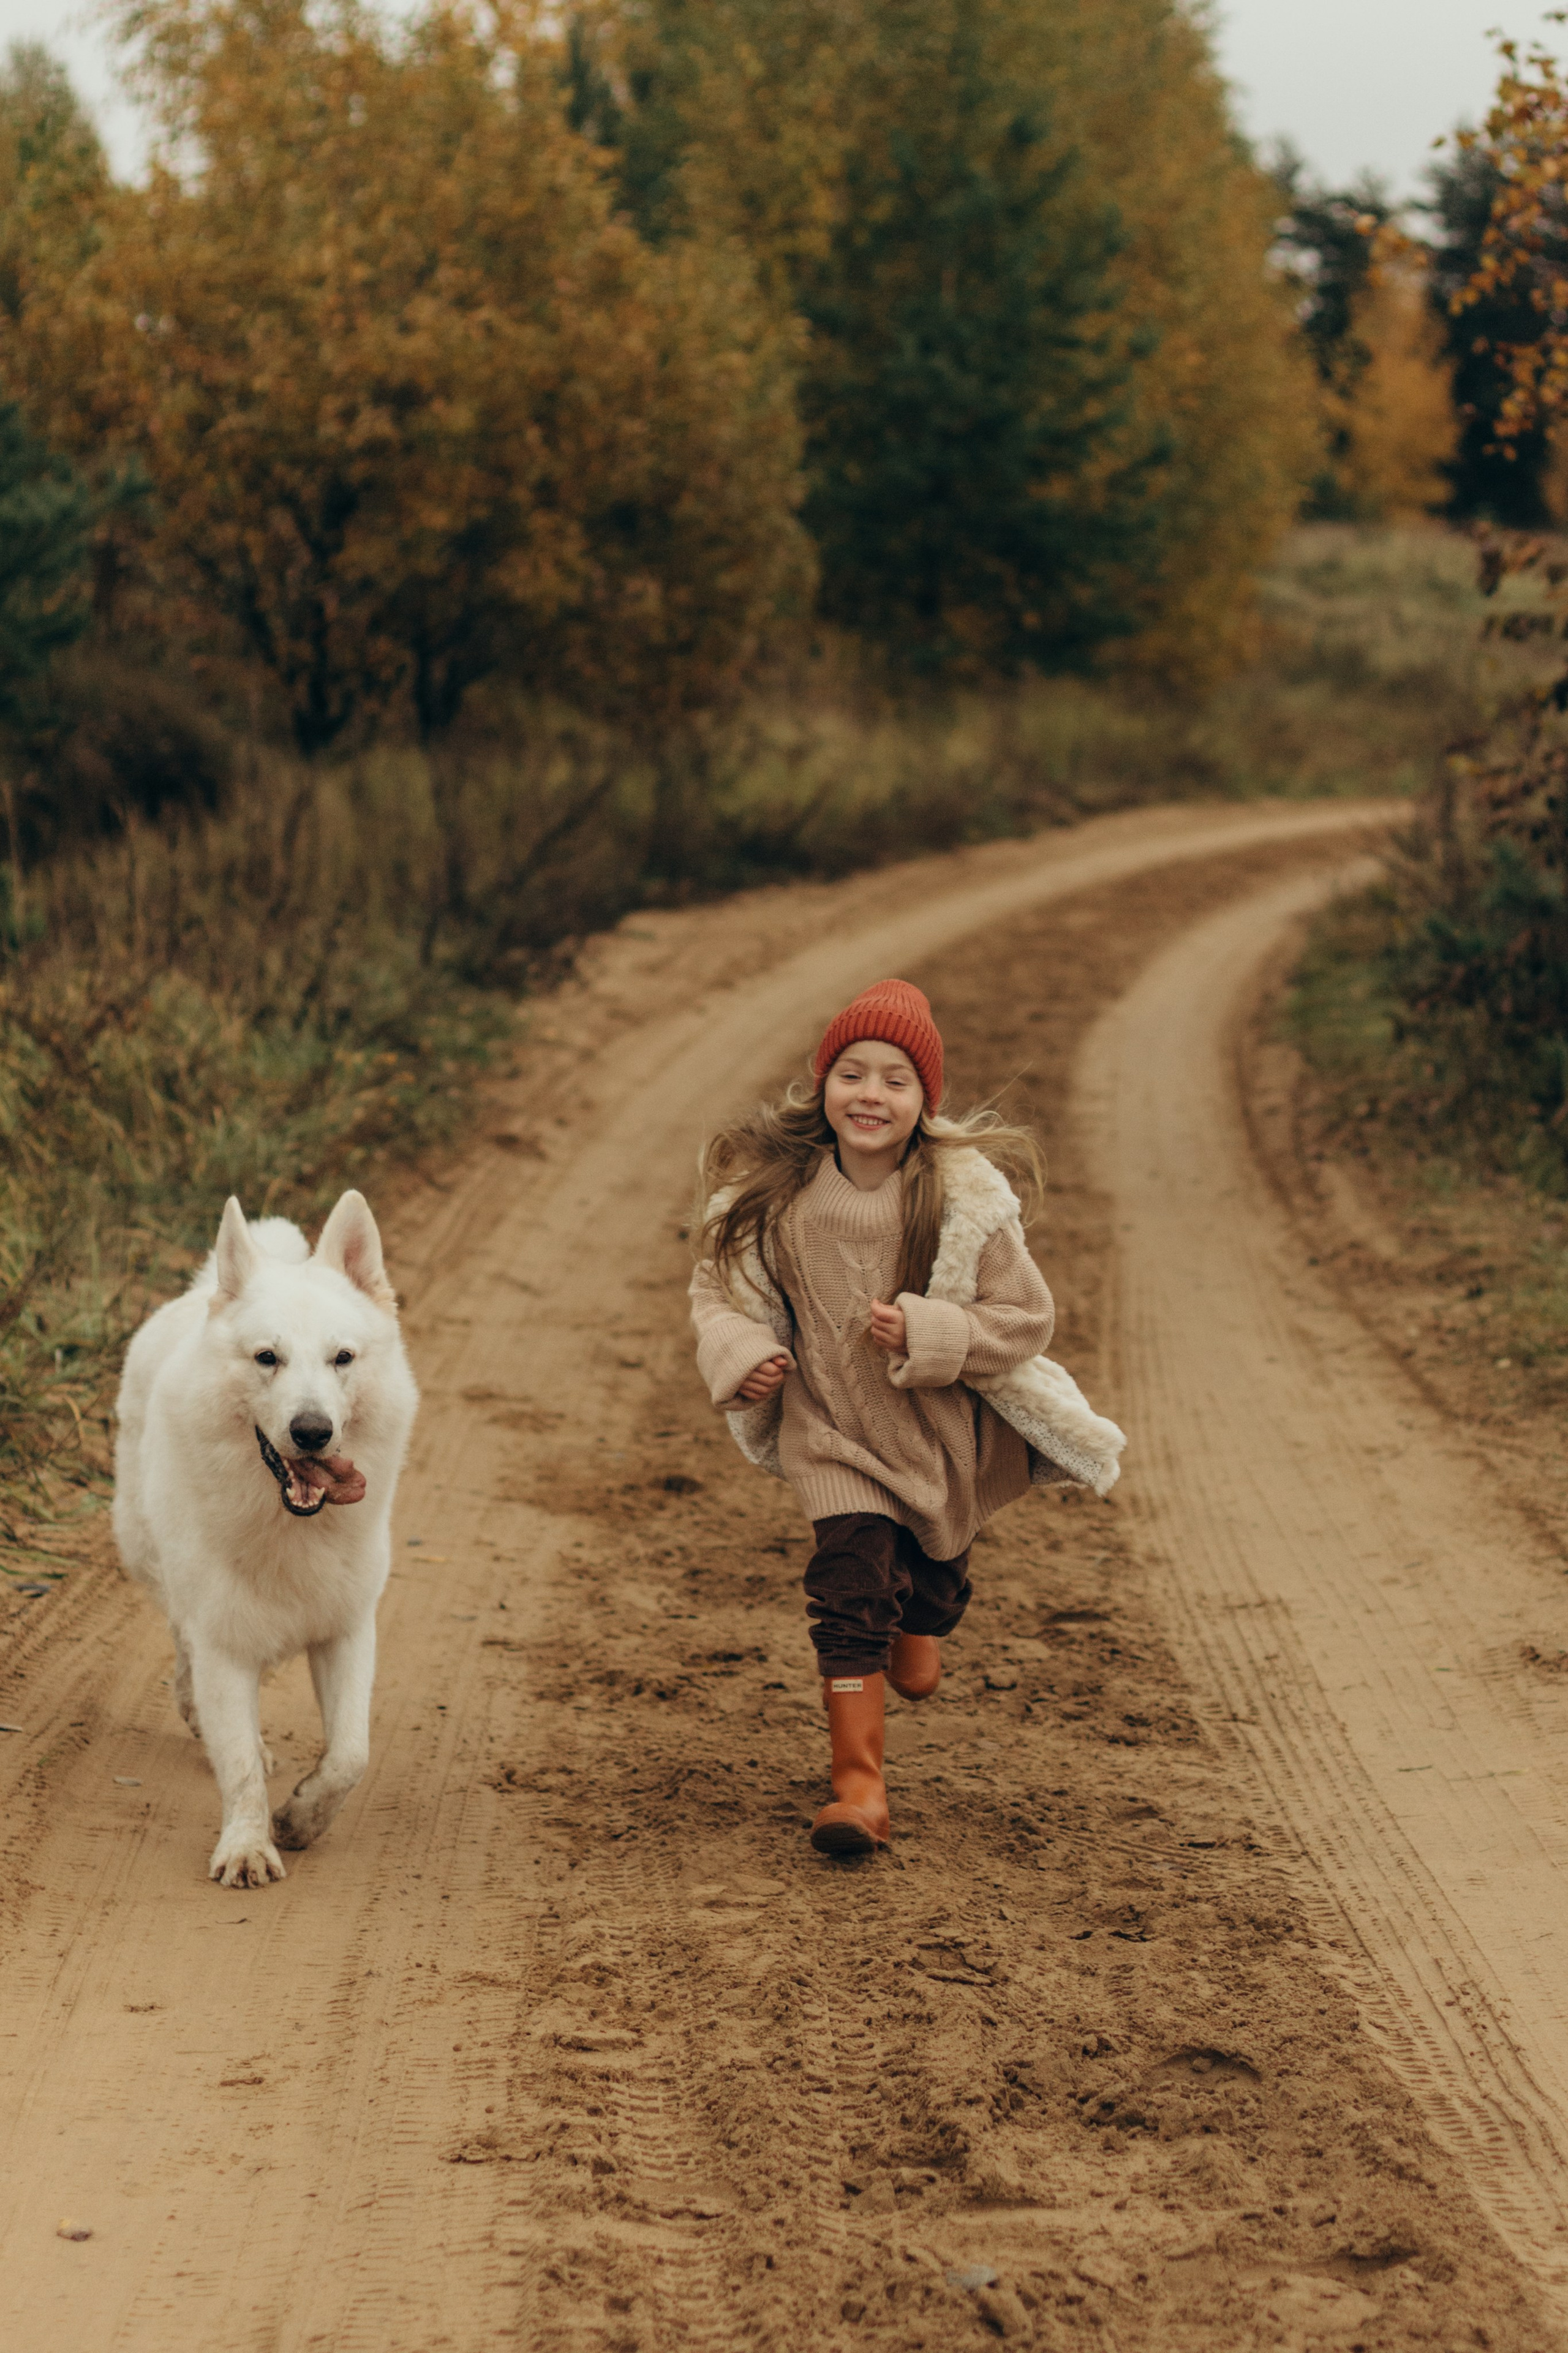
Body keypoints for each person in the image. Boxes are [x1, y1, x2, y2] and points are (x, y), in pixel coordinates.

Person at [688, 977, 1123, 1857]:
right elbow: (717, 1294)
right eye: (853, 1073)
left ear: (925, 1101)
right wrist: (744, 1354)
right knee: (848, 1590)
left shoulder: (960, 1202)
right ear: (823, 1087)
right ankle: (859, 1790)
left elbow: (1026, 1319)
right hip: (833, 1435)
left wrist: (932, 1328)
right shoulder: (775, 1199)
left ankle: (925, 1616)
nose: (872, 1094)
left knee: (927, 1585)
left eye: (895, 1079)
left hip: (937, 1442)